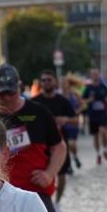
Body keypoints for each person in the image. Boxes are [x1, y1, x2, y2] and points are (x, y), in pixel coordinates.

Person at [0, 63, 67, 212]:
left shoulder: (39, 112)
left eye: (11, 92)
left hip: (36, 194)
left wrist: (49, 173)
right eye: (1, 94)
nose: (7, 98)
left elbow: (59, 147)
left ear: (19, 86)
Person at [31, 69, 75, 202]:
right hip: (41, 145)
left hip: (60, 142)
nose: (46, 83)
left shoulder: (62, 101)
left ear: (55, 82)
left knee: (61, 174)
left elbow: (76, 120)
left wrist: (65, 120)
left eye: (49, 80)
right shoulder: (34, 102)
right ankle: (44, 200)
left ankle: (58, 202)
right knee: (43, 173)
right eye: (43, 80)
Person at [82, 68, 107, 165]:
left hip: (102, 113)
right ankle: (98, 154)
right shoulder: (88, 88)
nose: (95, 76)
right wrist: (89, 100)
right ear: (91, 76)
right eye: (93, 74)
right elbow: (83, 100)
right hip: (92, 114)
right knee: (95, 136)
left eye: (96, 74)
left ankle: (105, 149)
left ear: (99, 75)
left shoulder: (103, 87)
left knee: (103, 132)